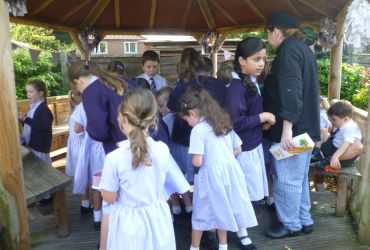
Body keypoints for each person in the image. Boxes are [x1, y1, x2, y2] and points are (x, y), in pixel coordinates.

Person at [99, 89, 185, 250]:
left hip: (128, 224)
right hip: (158, 219)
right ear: (153, 120)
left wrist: (102, 188)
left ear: (122, 118)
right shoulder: (162, 149)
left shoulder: (114, 158)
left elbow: (110, 198)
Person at [263, 12, 320, 238]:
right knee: (299, 178)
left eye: (267, 32)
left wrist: (286, 128)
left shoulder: (287, 51)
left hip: (293, 131)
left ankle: (290, 225)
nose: (268, 38)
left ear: (275, 30)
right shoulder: (303, 48)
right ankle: (304, 221)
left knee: (287, 180)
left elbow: (291, 91)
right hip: (304, 130)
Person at [180, 88, 258, 250]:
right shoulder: (221, 122)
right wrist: (221, 155)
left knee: (200, 214)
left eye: (186, 118)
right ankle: (223, 246)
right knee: (225, 209)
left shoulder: (197, 131)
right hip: (230, 173)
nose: (186, 122)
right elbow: (238, 149)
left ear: (192, 113)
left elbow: (198, 161)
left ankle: (194, 248)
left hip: (210, 177)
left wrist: (194, 160)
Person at [69, 60, 128, 247]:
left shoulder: (91, 92)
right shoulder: (112, 81)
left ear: (77, 81)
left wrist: (93, 131)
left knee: (114, 200)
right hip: (137, 140)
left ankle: (111, 242)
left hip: (118, 147)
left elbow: (99, 131)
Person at [226, 37, 275, 203]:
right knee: (242, 196)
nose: (261, 64)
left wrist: (261, 123)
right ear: (241, 60)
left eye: (263, 59)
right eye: (256, 59)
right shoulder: (236, 88)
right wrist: (263, 117)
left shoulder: (249, 81)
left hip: (252, 144)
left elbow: (249, 113)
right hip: (244, 149)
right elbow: (236, 122)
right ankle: (240, 228)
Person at [310, 100, 362, 169]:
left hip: (340, 153)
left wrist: (335, 156)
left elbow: (347, 143)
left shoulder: (350, 128)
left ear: (345, 119)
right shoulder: (344, 124)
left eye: (334, 120)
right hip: (333, 147)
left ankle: (325, 160)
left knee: (357, 146)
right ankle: (316, 153)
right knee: (323, 131)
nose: (332, 122)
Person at [19, 79, 53, 165]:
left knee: (44, 170)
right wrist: (22, 119)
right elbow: (31, 125)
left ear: (41, 93)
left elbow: (43, 126)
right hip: (32, 144)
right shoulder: (32, 107)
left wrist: (26, 119)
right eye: (27, 92)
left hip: (40, 147)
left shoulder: (44, 109)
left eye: (31, 91)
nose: (28, 94)